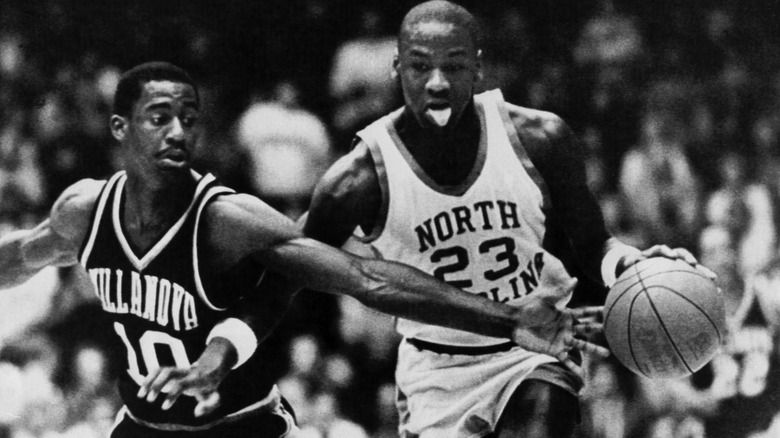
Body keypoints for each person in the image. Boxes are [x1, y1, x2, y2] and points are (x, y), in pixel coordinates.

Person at [0, 62, 607, 438]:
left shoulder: (225, 220)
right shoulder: (83, 211)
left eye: (189, 118)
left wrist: (506, 319)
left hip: (243, 427)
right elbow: (18, 258)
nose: (179, 131)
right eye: (160, 117)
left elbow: (366, 278)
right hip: (141, 427)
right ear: (120, 130)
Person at [302, 2, 713, 437]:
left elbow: (594, 244)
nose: (437, 82)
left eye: (454, 66)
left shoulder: (540, 137)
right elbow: (294, 263)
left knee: (544, 403)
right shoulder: (359, 177)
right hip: (437, 367)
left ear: (478, 68)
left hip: (537, 345)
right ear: (397, 68)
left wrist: (625, 264)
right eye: (420, 67)